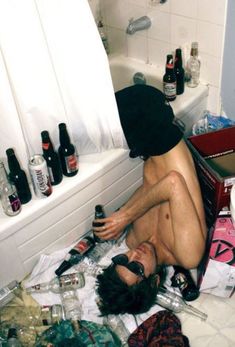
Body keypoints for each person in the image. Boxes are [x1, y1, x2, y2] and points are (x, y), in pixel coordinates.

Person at [94, 84, 207, 315]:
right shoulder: (188, 254)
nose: (133, 255)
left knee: (90, 116)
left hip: (144, 145)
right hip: (158, 127)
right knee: (96, 115)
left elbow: (145, 191)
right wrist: (126, 216)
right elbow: (172, 182)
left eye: (122, 261)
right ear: (154, 282)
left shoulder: (134, 240)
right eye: (136, 267)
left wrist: (121, 214)